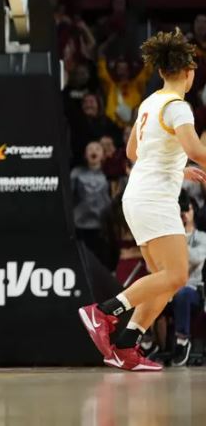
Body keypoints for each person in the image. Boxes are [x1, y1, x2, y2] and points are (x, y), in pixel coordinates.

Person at [80, 29, 206, 372]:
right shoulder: (179, 107)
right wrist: (187, 161)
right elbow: (195, 149)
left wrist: (177, 169)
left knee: (162, 278)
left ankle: (126, 345)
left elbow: (135, 151)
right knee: (176, 276)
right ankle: (104, 312)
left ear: (163, 71)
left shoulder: (150, 103)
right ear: (189, 73)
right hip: (153, 199)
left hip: (138, 194)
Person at [170, 192, 206, 367]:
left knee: (183, 293)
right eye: (180, 210)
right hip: (169, 287)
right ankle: (146, 343)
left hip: (193, 289)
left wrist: (178, 247)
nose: (184, 213)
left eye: (187, 209)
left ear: (194, 211)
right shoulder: (170, 236)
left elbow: (198, 257)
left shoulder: (202, 237)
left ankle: (182, 341)